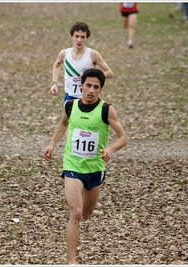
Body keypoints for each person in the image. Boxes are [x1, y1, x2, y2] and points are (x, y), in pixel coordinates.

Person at [44, 68, 128, 264]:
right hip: (73, 165)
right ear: (81, 85)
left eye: (96, 87)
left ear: (100, 90)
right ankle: (71, 261)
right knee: (77, 212)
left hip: (95, 168)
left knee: (87, 214)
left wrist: (110, 149)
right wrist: (51, 144)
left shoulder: (107, 109)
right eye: (88, 85)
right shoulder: (70, 106)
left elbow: (124, 137)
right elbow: (63, 124)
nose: (91, 90)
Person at [49, 21, 114, 103]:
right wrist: (54, 83)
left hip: (87, 98)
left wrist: (89, 77)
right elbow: (56, 65)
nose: (79, 40)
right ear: (72, 36)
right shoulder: (64, 53)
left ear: (87, 38)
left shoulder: (93, 54)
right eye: (76, 36)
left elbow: (109, 73)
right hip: (69, 97)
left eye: (82, 37)